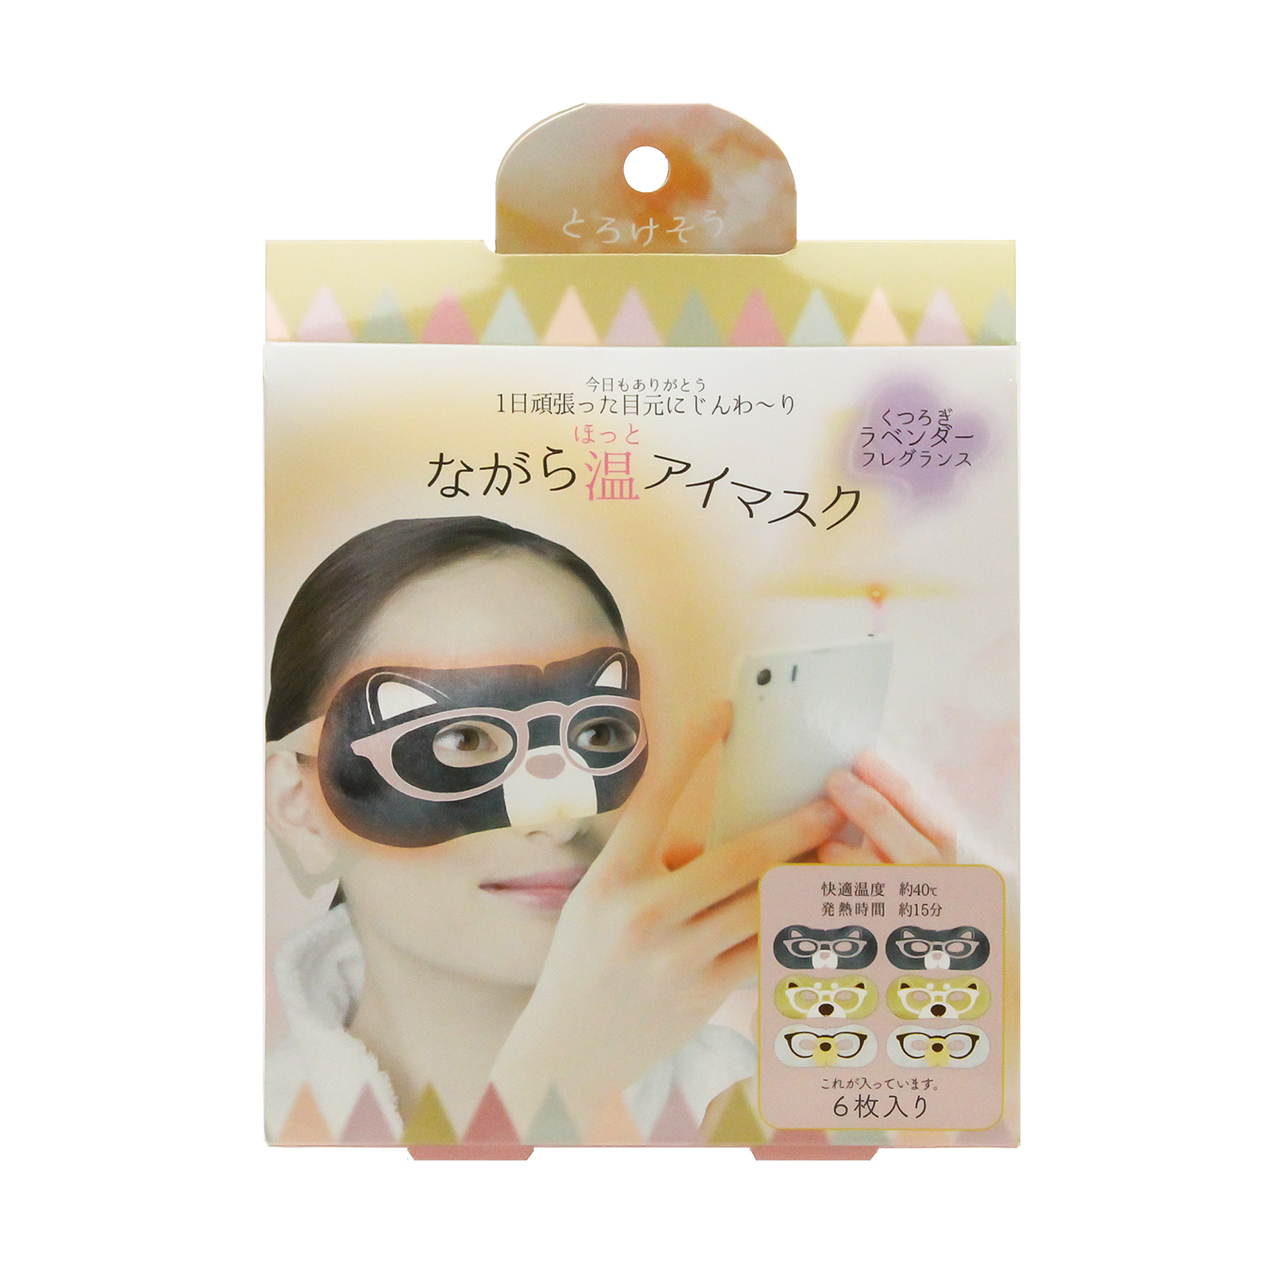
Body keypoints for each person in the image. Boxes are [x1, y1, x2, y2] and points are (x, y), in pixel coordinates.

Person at [264, 517, 954, 1143]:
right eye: (462, 740)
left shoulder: (748, 1104)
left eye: (598, 732)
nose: (563, 816)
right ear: (299, 805)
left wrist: (901, 1069)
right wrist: (552, 1091)